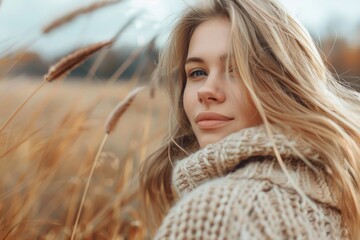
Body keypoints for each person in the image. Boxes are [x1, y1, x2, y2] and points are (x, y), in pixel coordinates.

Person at [140, 0, 360, 239]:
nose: (206, 90)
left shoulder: (215, 213)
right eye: (197, 73)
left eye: (236, 69)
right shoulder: (342, 196)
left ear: (283, 85)